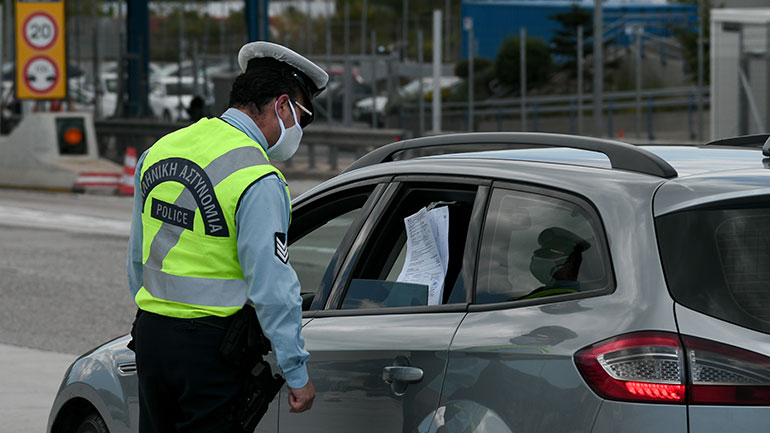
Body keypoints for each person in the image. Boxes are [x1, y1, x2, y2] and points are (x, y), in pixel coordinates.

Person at [126, 41, 328, 433]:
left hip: (151, 336)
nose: (299, 130)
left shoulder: (160, 150)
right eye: (302, 118)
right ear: (282, 106)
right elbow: (272, 286)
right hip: (210, 351)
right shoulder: (258, 177)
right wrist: (296, 371)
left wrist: (151, 316)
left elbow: (137, 255)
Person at [513, 227, 591, 301]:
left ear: (570, 261)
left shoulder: (565, 298)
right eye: (540, 253)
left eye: (548, 253)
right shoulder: (543, 292)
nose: (539, 258)